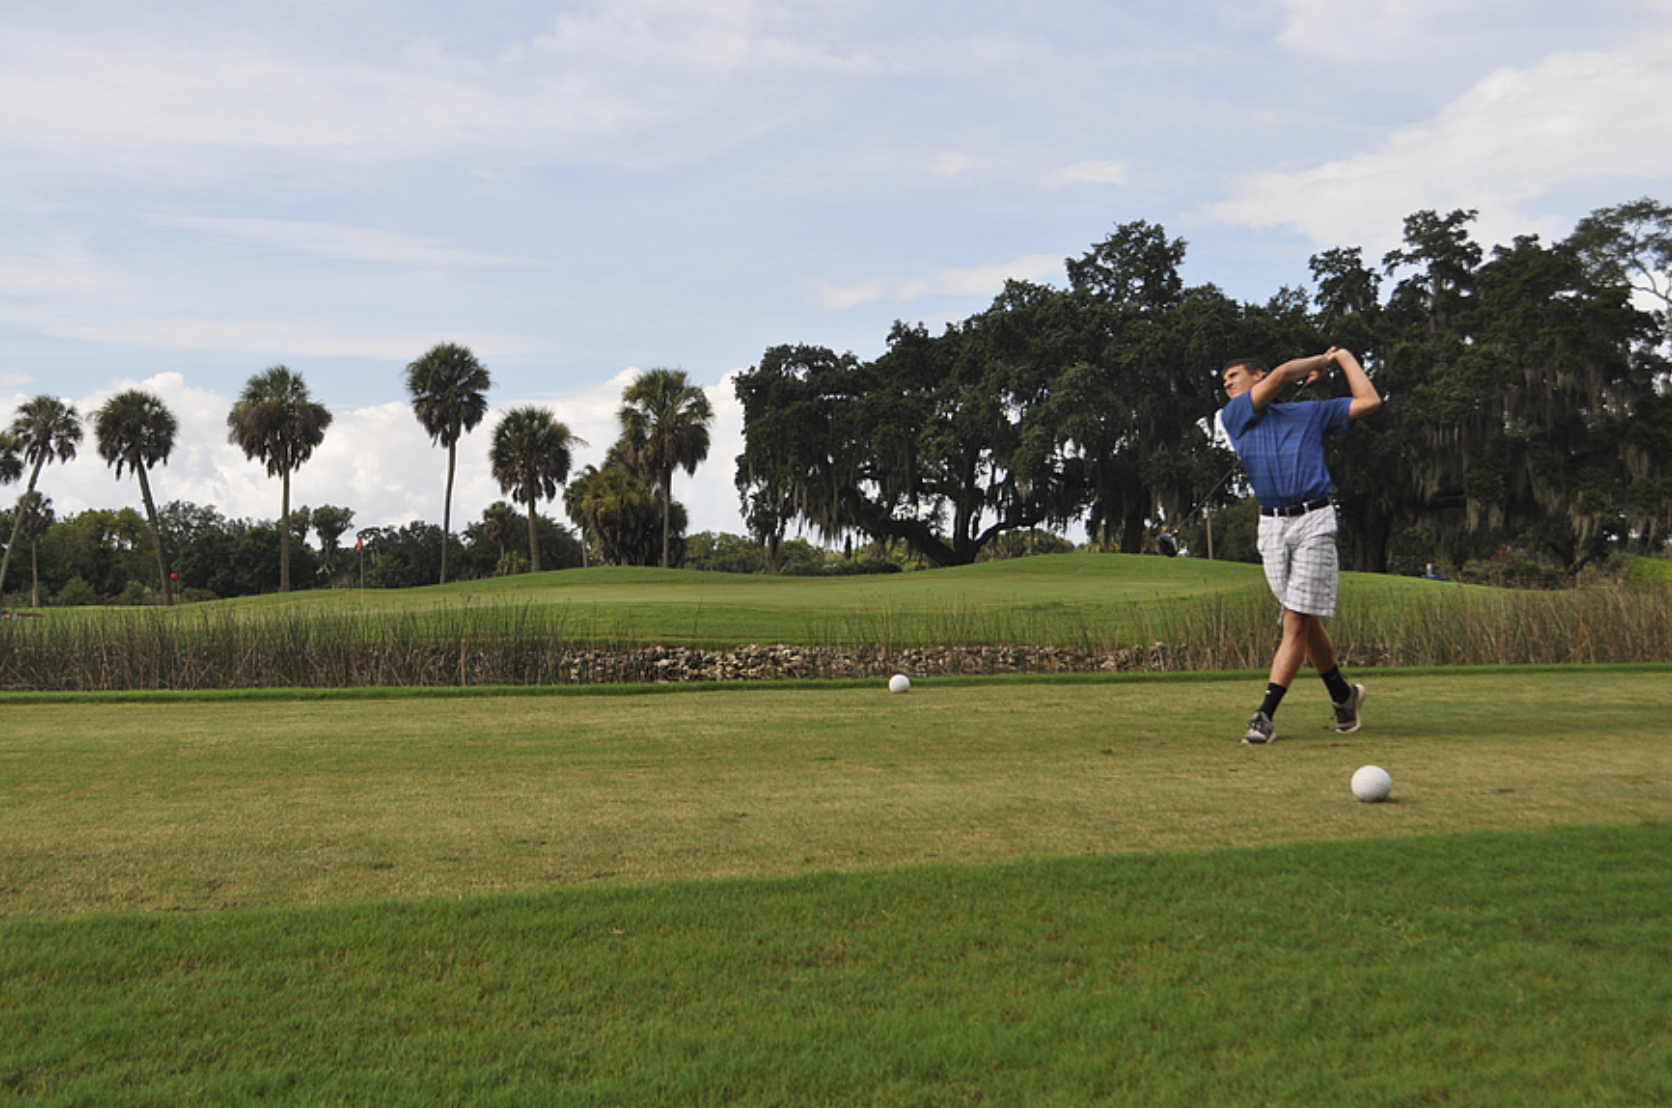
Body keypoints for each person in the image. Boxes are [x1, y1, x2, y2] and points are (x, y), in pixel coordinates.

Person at [1219, 348, 1382, 744]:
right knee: (1304, 621)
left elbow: (1370, 400)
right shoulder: (1234, 416)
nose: (1227, 386)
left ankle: (1264, 716)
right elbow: (1281, 378)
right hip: (1271, 527)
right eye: (1224, 383)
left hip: (1315, 520)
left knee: (1295, 619)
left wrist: (1342, 358)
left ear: (1257, 375)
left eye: (1234, 377)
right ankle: (1343, 696)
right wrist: (1315, 364)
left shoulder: (1309, 413)